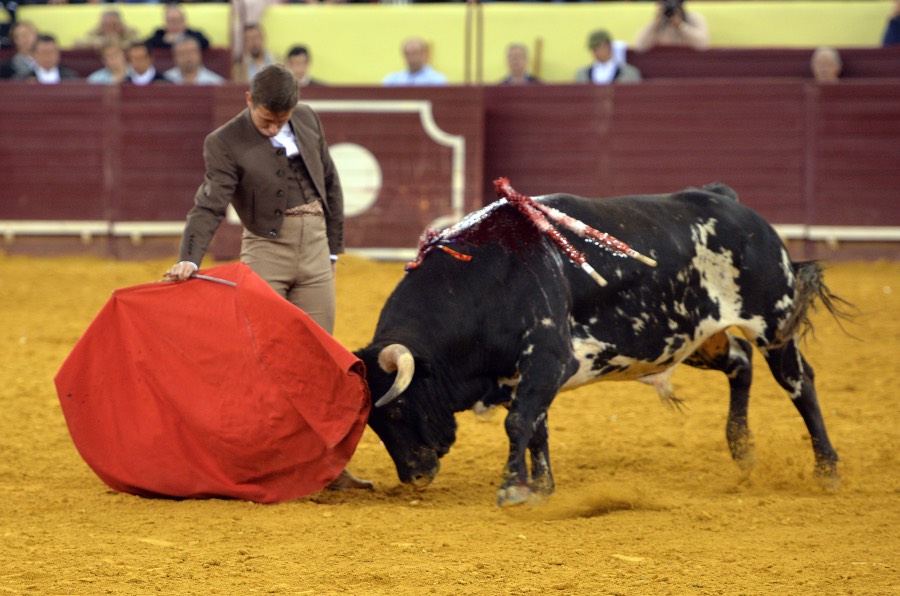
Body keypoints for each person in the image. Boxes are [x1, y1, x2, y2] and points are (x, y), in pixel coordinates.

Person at [164, 64, 371, 491]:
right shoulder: (223, 142)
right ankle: (260, 462)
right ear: (248, 101)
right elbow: (209, 205)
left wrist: (333, 246)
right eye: (266, 121)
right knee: (260, 361)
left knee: (317, 362)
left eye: (281, 119)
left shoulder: (308, 118)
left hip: (315, 251)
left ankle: (325, 468)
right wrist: (190, 258)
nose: (275, 127)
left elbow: (330, 181)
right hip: (266, 253)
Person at [633, 0, 709, 52]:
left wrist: (680, 26)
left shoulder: (693, 18)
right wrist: (655, 23)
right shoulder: (658, 23)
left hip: (689, 63)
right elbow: (639, 46)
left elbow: (702, 45)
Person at [575, 29, 642, 85]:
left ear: (609, 47)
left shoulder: (629, 74)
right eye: (593, 49)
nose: (595, 52)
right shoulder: (583, 74)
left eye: (598, 48)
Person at [382, 37, 447, 86]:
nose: (412, 58)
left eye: (415, 53)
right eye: (408, 54)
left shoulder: (437, 80)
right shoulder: (392, 80)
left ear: (424, 54)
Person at [146, 3, 210, 51]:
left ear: (184, 22)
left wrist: (179, 38)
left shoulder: (194, 34)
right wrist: (164, 41)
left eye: (178, 21)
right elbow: (146, 45)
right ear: (165, 23)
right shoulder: (159, 34)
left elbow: (205, 42)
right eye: (171, 21)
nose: (175, 25)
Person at [74, 9, 140, 51]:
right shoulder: (97, 30)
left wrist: (119, 43)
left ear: (120, 24)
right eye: (106, 25)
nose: (110, 28)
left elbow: (137, 42)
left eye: (114, 24)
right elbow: (78, 42)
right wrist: (101, 42)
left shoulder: (128, 31)